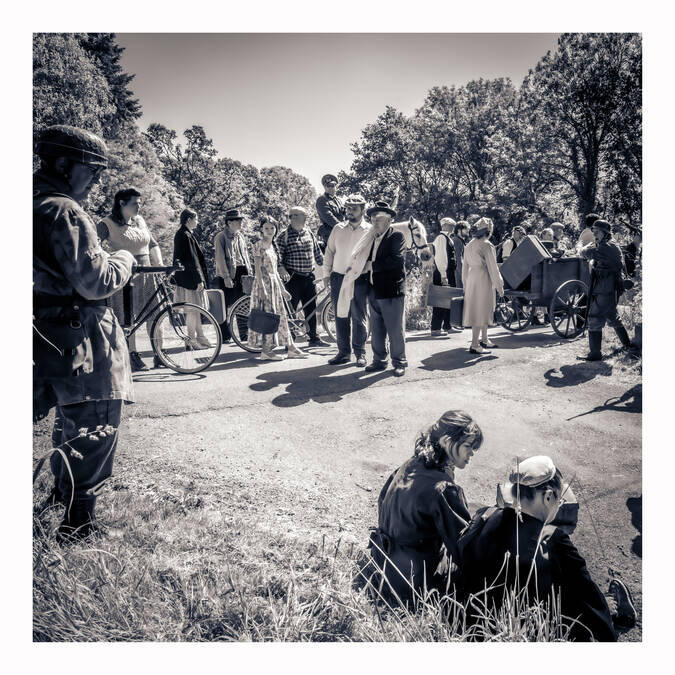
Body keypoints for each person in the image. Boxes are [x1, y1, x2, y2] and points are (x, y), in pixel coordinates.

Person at [33, 125, 135, 542]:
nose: (95, 179)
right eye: (90, 169)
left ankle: (59, 495)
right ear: (62, 164)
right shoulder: (64, 210)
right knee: (94, 422)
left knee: (65, 421)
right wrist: (124, 258)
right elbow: (94, 281)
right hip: (81, 333)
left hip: (42, 330)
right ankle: (79, 525)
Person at [458, 455, 636, 641]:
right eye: (559, 500)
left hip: (481, 621)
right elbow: (585, 595)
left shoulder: (486, 515)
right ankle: (619, 617)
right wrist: (607, 627)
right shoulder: (553, 540)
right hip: (536, 627)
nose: (559, 505)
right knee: (583, 597)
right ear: (548, 496)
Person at [365, 411, 484, 606]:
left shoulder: (411, 464)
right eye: (468, 446)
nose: (472, 453)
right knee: (479, 565)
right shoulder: (443, 488)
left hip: (382, 565)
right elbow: (464, 548)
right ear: (446, 441)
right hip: (411, 583)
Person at [97, 188, 164, 371]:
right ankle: (131, 354)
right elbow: (94, 246)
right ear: (122, 203)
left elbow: (152, 243)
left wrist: (160, 266)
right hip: (125, 276)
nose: (138, 206)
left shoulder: (140, 221)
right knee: (127, 317)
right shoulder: (107, 223)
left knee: (156, 312)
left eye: (140, 203)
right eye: (135, 203)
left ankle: (160, 353)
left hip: (148, 273)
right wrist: (111, 259)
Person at [247, 216, 307, 361]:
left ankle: (291, 347)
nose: (269, 230)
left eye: (272, 228)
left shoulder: (273, 246)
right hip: (264, 284)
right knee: (269, 317)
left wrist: (282, 289)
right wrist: (262, 288)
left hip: (274, 284)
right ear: (261, 229)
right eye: (266, 228)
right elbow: (258, 270)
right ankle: (266, 350)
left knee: (281, 316)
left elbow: (274, 270)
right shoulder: (258, 245)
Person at [323, 194, 372, 365]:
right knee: (340, 315)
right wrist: (326, 274)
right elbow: (329, 251)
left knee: (359, 316)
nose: (350, 211)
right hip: (338, 277)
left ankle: (360, 353)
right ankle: (343, 353)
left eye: (354, 208)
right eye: (348, 208)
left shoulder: (370, 230)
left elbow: (373, 256)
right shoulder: (338, 228)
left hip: (359, 278)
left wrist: (368, 268)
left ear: (363, 210)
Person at [577, 219, 635, 361]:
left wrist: (584, 248)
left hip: (605, 287)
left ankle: (595, 353)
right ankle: (628, 345)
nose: (594, 234)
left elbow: (585, 253)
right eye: (594, 232)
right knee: (612, 316)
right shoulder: (609, 245)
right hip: (608, 287)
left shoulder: (606, 247)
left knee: (594, 317)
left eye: (597, 232)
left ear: (605, 233)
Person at [364, 200, 408, 377]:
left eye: (379, 218)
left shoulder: (396, 236)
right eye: (373, 218)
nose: (375, 221)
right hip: (374, 289)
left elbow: (396, 261)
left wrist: (371, 266)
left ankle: (399, 362)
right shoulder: (370, 239)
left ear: (389, 220)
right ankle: (379, 360)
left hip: (391, 290)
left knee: (395, 330)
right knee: (376, 328)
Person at [277, 206, 330, 348]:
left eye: (305, 216)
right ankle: (290, 341)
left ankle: (314, 337)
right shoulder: (284, 236)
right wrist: (281, 269)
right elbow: (277, 257)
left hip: (309, 276)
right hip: (293, 278)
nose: (306, 218)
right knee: (291, 310)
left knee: (311, 308)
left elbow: (318, 255)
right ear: (293, 217)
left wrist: (328, 268)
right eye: (302, 216)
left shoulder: (309, 233)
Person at [462, 218, 504, 354]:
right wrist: (500, 286)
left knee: (480, 308)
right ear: (489, 230)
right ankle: (475, 344)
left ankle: (484, 339)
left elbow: (464, 267)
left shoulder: (469, 245)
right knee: (481, 310)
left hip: (471, 279)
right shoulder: (487, 245)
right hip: (483, 278)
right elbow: (493, 268)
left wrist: (465, 284)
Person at [172, 209, 211, 349]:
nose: (198, 221)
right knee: (192, 310)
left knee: (196, 310)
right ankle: (191, 340)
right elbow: (191, 260)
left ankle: (200, 337)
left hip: (187, 279)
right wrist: (199, 279)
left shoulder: (185, 234)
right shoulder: (184, 235)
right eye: (196, 219)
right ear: (189, 219)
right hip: (189, 280)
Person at [214, 209, 252, 342]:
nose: (241, 222)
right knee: (223, 306)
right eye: (237, 220)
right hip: (228, 274)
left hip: (242, 273)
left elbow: (245, 255)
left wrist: (249, 270)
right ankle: (224, 336)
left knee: (243, 304)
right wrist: (226, 277)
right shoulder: (221, 237)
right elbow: (220, 258)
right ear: (229, 222)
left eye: (241, 220)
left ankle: (244, 334)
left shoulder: (240, 236)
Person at [430, 217, 457, 337]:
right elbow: (440, 258)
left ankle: (447, 325)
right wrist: (443, 275)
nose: (453, 226)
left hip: (448, 272)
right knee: (440, 301)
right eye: (451, 224)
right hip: (443, 273)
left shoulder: (447, 238)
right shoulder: (441, 238)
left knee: (448, 300)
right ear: (444, 225)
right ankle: (435, 328)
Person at [315, 174, 345, 250]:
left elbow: (345, 213)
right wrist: (343, 228)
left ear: (336, 186)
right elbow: (329, 217)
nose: (331, 188)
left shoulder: (338, 200)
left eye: (333, 185)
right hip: (330, 234)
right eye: (328, 186)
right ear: (324, 187)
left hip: (342, 233)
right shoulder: (322, 200)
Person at [451, 221, 469, 288]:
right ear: (459, 230)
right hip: (459, 273)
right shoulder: (457, 240)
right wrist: (463, 276)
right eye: (465, 228)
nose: (468, 230)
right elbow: (458, 260)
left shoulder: (460, 240)